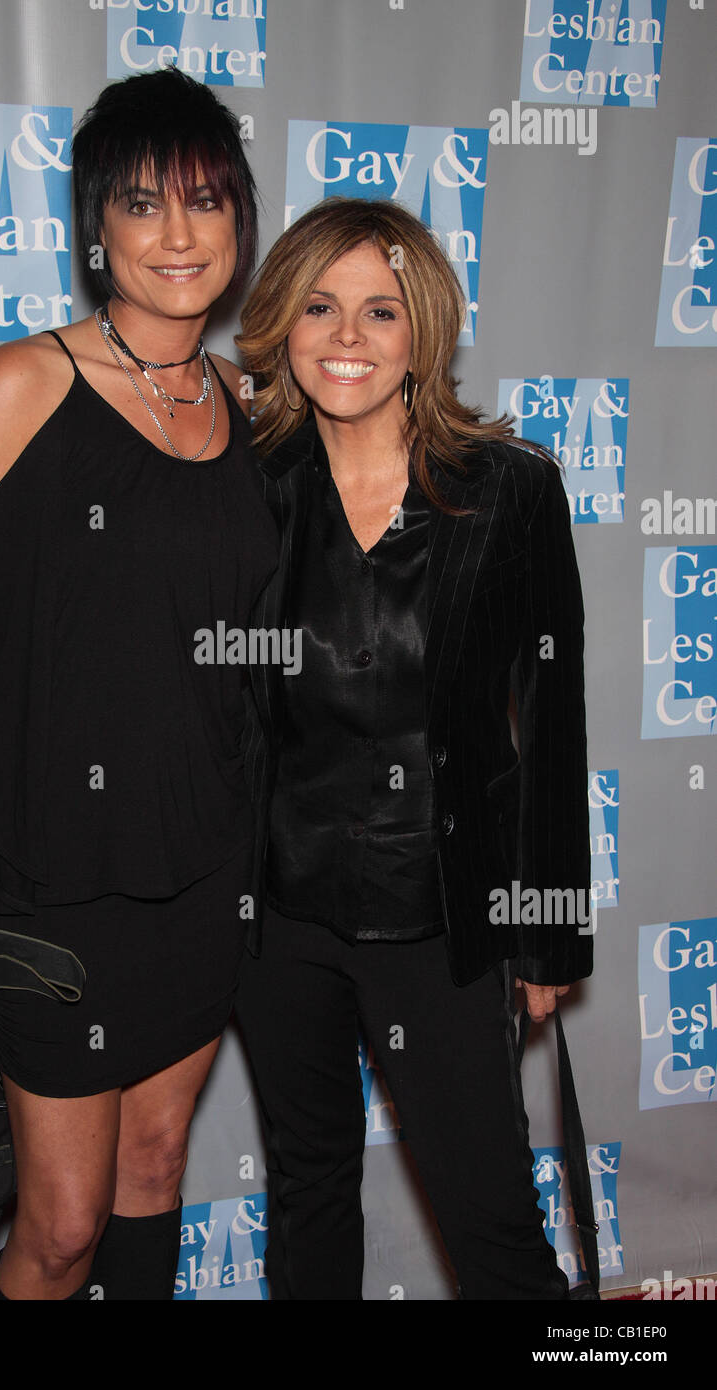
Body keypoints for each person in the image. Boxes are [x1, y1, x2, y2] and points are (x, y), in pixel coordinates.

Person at [0, 67, 277, 1301]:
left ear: (239, 227)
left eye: (205, 204)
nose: (176, 236)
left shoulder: (252, 415)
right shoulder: (19, 389)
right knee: (57, 1229)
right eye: (143, 204)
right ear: (93, 227)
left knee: (154, 1168)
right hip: (48, 883)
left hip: (208, 869)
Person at [234, 196, 592, 1300]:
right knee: (305, 1196)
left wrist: (546, 939)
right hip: (277, 919)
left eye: (379, 310)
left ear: (421, 330)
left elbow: (550, 721)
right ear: (283, 326)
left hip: (443, 918)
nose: (346, 337)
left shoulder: (508, 488)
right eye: (319, 307)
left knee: (492, 1227)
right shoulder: (244, 482)